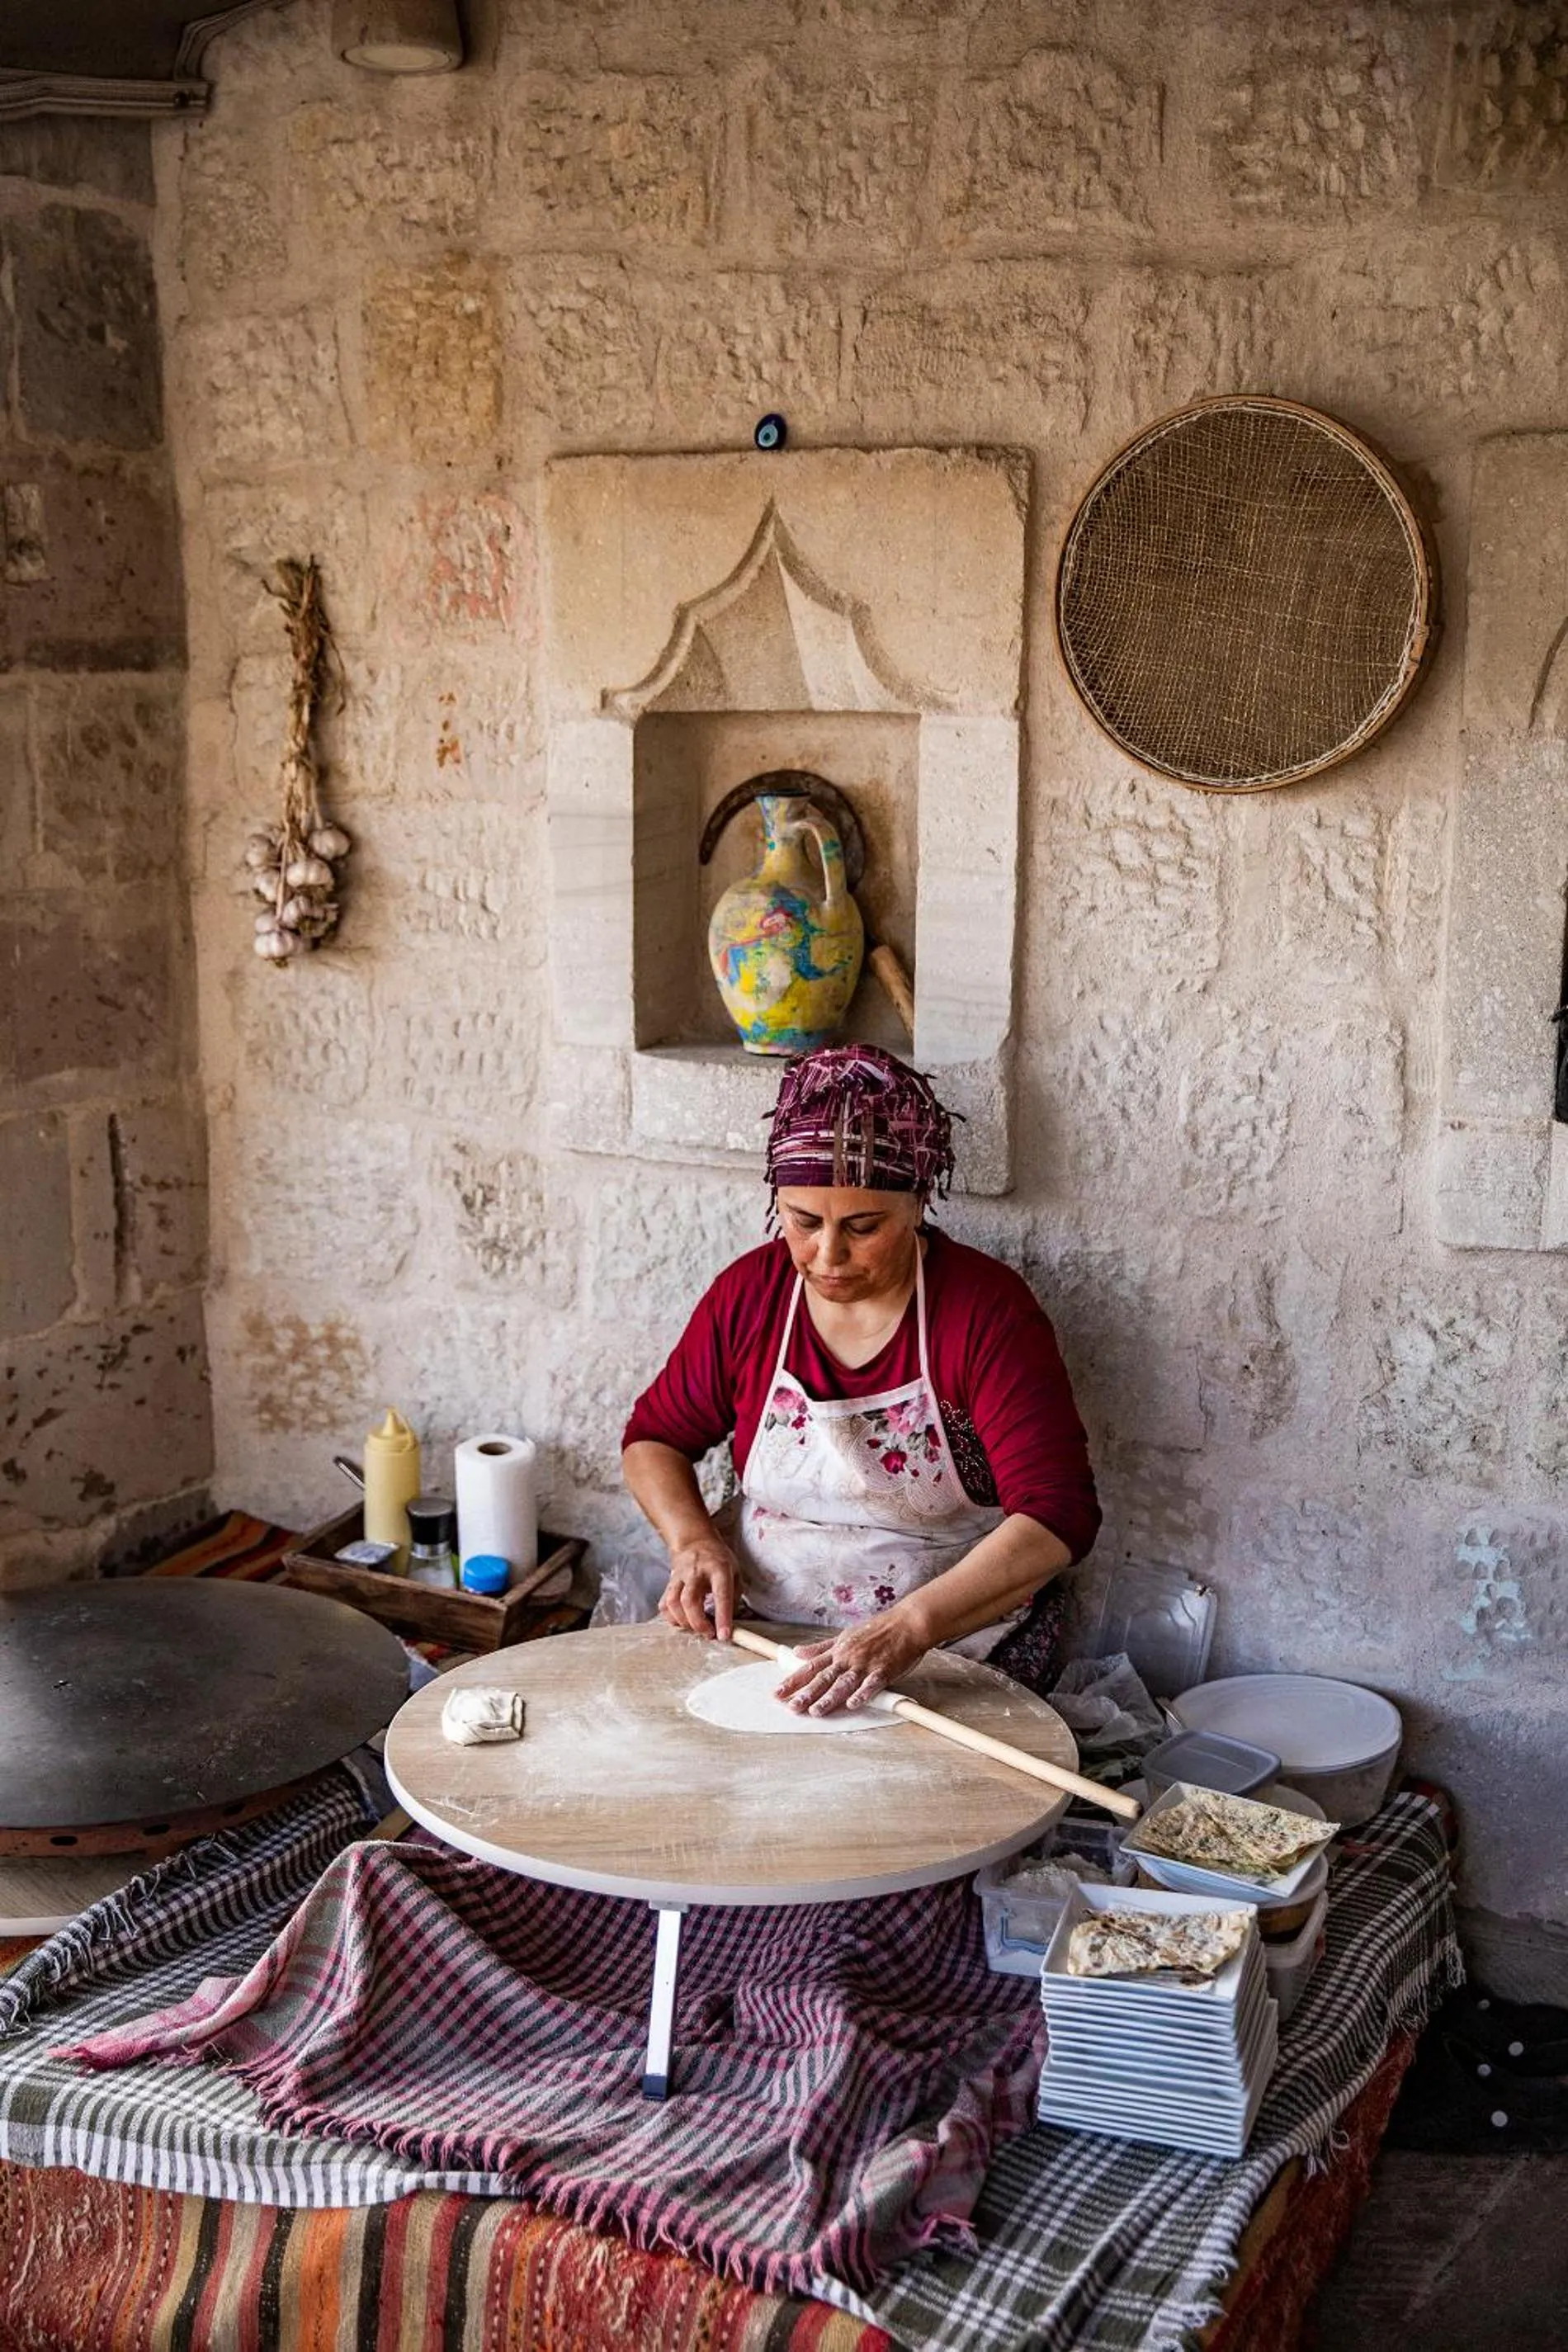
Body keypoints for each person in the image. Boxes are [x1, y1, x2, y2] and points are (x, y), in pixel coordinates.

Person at [621, 1044, 1099, 1717]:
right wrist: (693, 1540)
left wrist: (910, 1628)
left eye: (863, 1227)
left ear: (916, 1204)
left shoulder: (984, 1313)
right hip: (761, 1626)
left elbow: (1058, 1517)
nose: (827, 1255)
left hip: (946, 1636)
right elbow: (654, 1439)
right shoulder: (752, 1295)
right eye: (803, 1221)